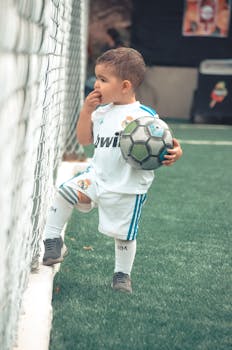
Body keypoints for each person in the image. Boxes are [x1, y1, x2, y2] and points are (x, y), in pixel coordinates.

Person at [42, 47, 183, 293]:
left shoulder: (145, 117)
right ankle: (53, 240)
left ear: (125, 85)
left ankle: (121, 275)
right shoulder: (101, 113)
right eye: (96, 77)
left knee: (124, 236)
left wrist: (175, 153)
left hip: (127, 187)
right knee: (64, 192)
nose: (96, 84)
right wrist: (86, 112)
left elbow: (167, 143)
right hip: (96, 178)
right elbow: (85, 139)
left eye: (103, 80)